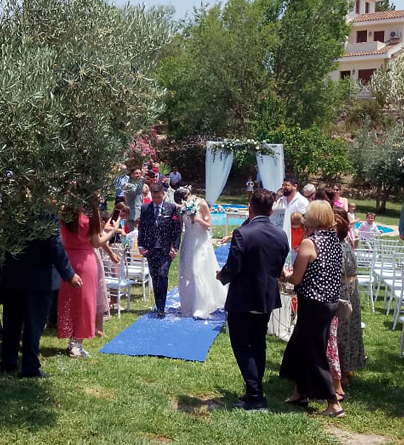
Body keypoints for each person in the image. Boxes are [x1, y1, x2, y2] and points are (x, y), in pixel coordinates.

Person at [216, 189, 289, 411]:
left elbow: (234, 266)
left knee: (241, 344)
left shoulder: (242, 233)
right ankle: (252, 392)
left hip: (243, 297)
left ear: (250, 206)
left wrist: (222, 276)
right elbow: (279, 264)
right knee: (258, 343)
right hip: (266, 296)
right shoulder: (281, 235)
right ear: (271, 209)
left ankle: (256, 395)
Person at [280, 200, 344, 417]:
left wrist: (286, 275)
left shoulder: (310, 243)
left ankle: (333, 403)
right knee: (299, 344)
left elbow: (296, 279)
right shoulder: (336, 241)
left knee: (314, 351)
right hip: (329, 303)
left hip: (313, 304)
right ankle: (300, 391)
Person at [0, 219, 82, 377]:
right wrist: (68, 273)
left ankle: (8, 362)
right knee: (34, 325)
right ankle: (30, 367)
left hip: (12, 275)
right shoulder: (45, 211)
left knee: (12, 322)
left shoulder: (14, 209)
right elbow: (54, 243)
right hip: (37, 279)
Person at [58, 202, 120, 357]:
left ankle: (72, 341)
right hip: (85, 260)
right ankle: (76, 345)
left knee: (70, 302)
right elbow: (96, 242)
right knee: (85, 304)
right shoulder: (92, 212)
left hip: (67, 260)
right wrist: (112, 230)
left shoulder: (64, 210)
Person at [174, 187, 227, 319]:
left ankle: (201, 307)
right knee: (187, 272)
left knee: (197, 271)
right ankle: (188, 304)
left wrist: (197, 219)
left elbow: (208, 226)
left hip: (200, 241)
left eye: (184, 198)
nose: (184, 201)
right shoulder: (180, 208)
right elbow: (180, 226)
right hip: (188, 241)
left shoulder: (202, 204)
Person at [138, 183, 182, 318]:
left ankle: (161, 307)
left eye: (158, 197)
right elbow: (141, 229)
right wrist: (141, 245)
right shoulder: (145, 208)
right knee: (155, 276)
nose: (156, 200)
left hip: (165, 249)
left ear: (163, 195)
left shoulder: (171, 208)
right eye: (154, 197)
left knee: (163, 275)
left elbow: (176, 230)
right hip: (151, 249)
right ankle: (158, 303)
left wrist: (174, 247)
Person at [334, 209, 365, 389]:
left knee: (345, 331)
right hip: (348, 288)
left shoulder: (341, 244)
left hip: (346, 291)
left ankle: (344, 371)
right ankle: (342, 370)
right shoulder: (342, 242)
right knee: (344, 331)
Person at [124, 167, 145, 232]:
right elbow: (137, 192)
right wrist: (142, 179)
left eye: (140, 173)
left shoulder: (138, 185)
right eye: (136, 173)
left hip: (140, 213)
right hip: (133, 215)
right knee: (133, 234)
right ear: (131, 175)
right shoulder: (129, 186)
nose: (138, 175)